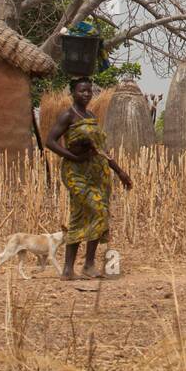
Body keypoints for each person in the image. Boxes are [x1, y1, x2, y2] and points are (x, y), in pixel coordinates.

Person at [46, 76, 132, 280]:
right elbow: (50, 141)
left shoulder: (91, 115)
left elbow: (101, 149)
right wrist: (72, 157)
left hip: (97, 173)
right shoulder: (68, 116)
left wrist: (119, 171)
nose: (86, 94)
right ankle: (87, 265)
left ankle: (74, 269)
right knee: (98, 210)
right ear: (73, 93)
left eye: (88, 91)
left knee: (79, 216)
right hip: (75, 173)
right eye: (81, 91)